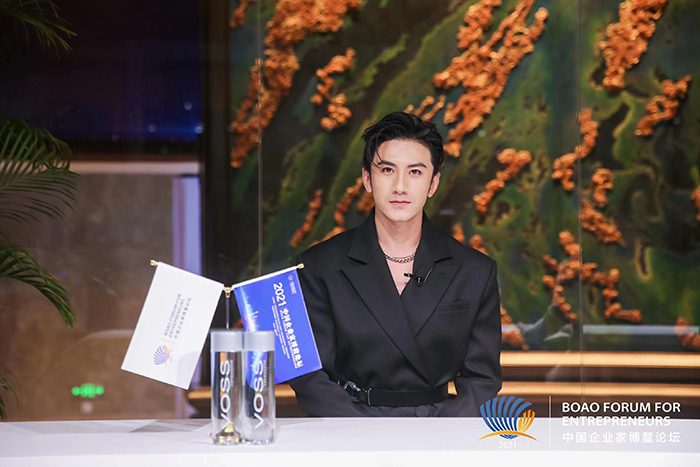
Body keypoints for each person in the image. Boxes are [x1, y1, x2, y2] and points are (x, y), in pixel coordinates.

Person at [289, 111, 502, 417]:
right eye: (387, 170)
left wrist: (444, 435)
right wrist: (358, 432)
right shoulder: (318, 267)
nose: (400, 186)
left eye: (415, 172)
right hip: (349, 428)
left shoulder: (475, 271)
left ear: (433, 183)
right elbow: (309, 377)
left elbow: (482, 380)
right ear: (367, 179)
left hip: (439, 430)